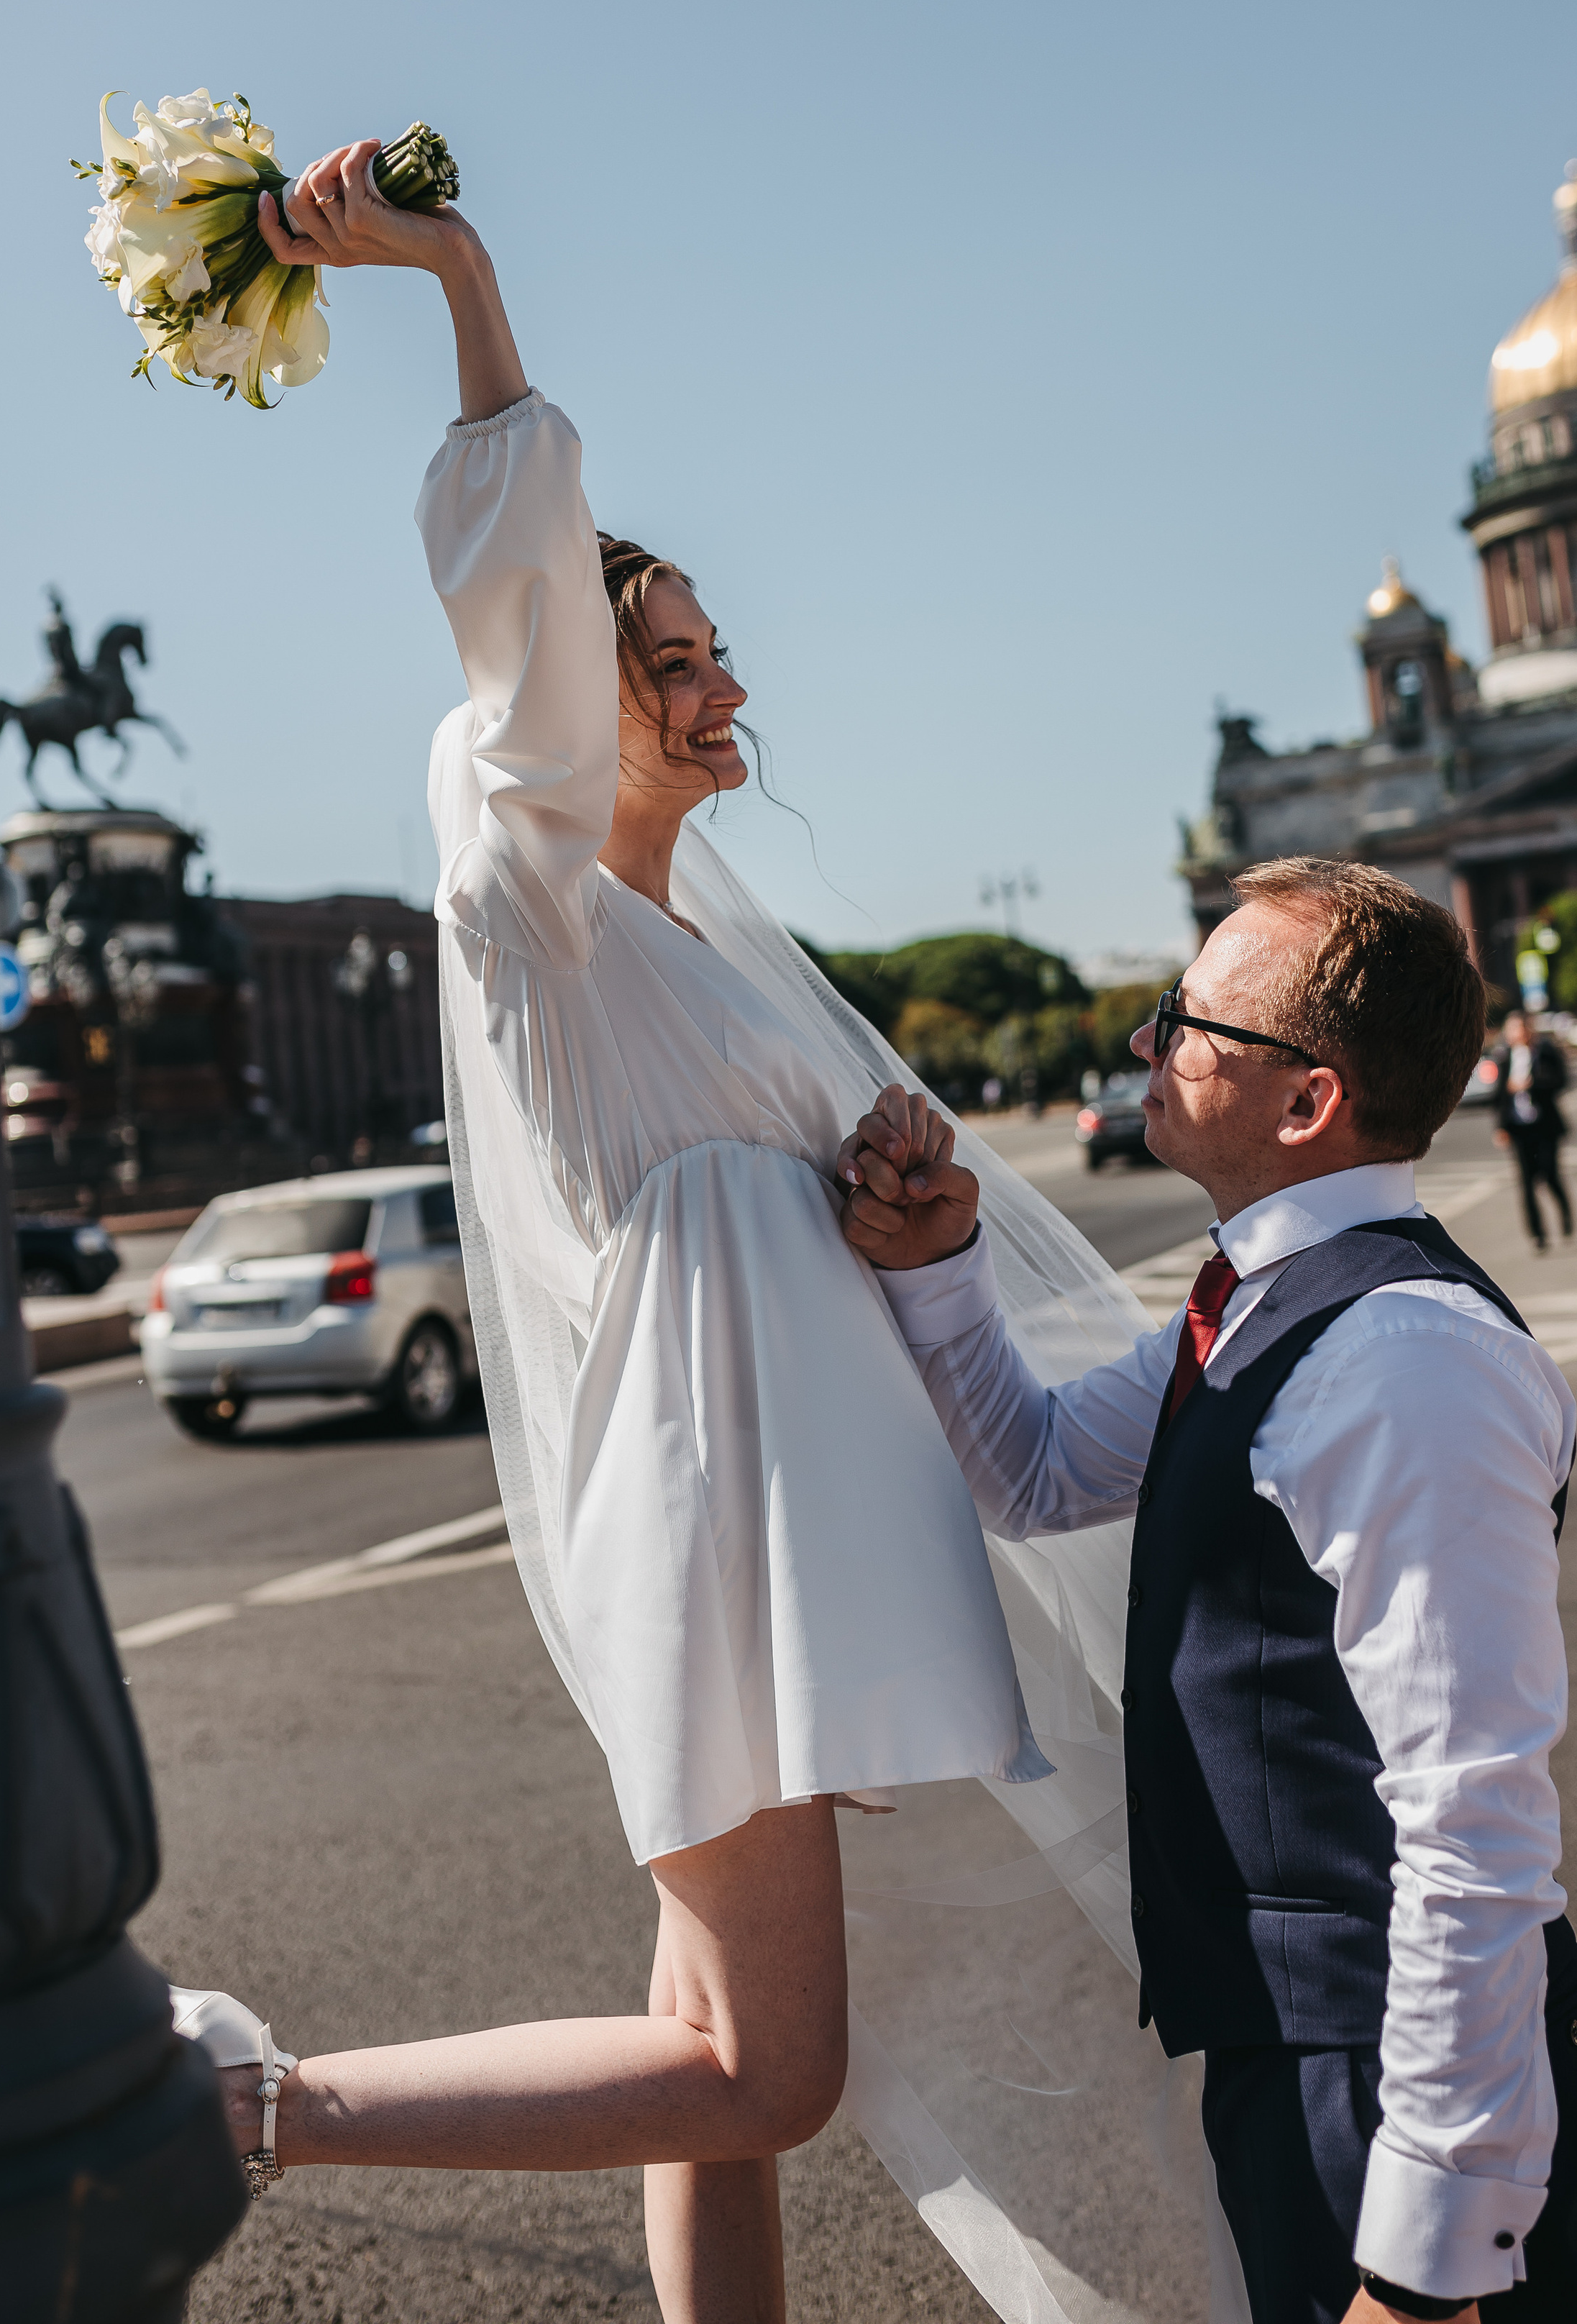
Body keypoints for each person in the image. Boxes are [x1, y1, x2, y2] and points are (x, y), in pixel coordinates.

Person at [171, 140, 1075, 2324]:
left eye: (703, 646)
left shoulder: (728, 965)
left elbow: (828, 1227)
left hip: (778, 1512)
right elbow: (517, 596)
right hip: (712, 1521)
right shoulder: (531, 897)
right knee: (766, 2068)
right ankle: (239, 2109)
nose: (706, 682)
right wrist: (454, 271)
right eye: (652, 654)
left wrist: (904, 1204)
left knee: (708, 2051)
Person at [836, 858, 1577, 2324]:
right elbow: (1038, 1474)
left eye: (1190, 1023)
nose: (1146, 1041)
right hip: (1304, 2048)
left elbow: (1472, 1815)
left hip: (1388, 2075)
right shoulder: (1260, 1301)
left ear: (1305, 1101)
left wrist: (1424, 2266)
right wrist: (939, 1268)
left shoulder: (1402, 1360)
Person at [1491, 1010, 1572, 1251]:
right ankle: (1538, 1235)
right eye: (1514, 1029)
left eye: (1524, 1027)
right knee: (1526, 1183)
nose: (1520, 1033)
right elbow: (1499, 1097)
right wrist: (1501, 1127)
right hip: (1518, 1128)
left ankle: (1565, 1215)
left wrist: (1533, 1084)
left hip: (1545, 1126)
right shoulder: (1505, 1057)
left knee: (1549, 1174)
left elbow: (1561, 1081)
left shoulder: (1546, 1053)